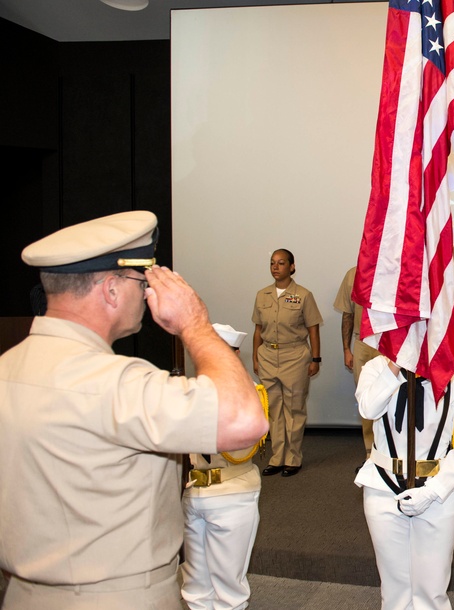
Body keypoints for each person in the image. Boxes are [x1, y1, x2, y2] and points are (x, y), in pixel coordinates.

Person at [0, 211, 268, 609]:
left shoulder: (8, 368)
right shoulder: (115, 382)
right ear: (111, 289)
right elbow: (245, 420)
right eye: (142, 281)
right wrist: (195, 324)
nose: (146, 294)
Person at [354, 357, 454, 610]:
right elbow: (368, 409)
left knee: (431, 590)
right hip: (383, 488)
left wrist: (434, 490)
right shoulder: (376, 369)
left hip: (439, 492)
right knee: (394, 589)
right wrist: (395, 366)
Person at [182, 323, 268, 610]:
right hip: (193, 493)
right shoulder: (187, 391)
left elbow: (242, 445)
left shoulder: (249, 394)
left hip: (231, 492)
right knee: (194, 586)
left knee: (228, 590)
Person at [252, 248, 323, 477]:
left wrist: (315, 359)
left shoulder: (303, 295)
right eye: (272, 263)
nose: (275, 267)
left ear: (292, 267)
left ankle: (293, 458)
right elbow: (258, 330)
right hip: (268, 356)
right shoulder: (262, 295)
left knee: (294, 409)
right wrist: (255, 357)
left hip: (295, 356)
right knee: (273, 410)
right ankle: (276, 458)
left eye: (281, 263)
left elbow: (313, 330)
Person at [333, 266, 382, 466]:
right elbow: (347, 314)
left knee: (394, 396)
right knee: (367, 397)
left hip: (391, 342)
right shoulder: (353, 274)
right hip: (363, 342)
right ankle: (370, 452)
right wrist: (347, 349)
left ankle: (391, 450)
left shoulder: (397, 268)